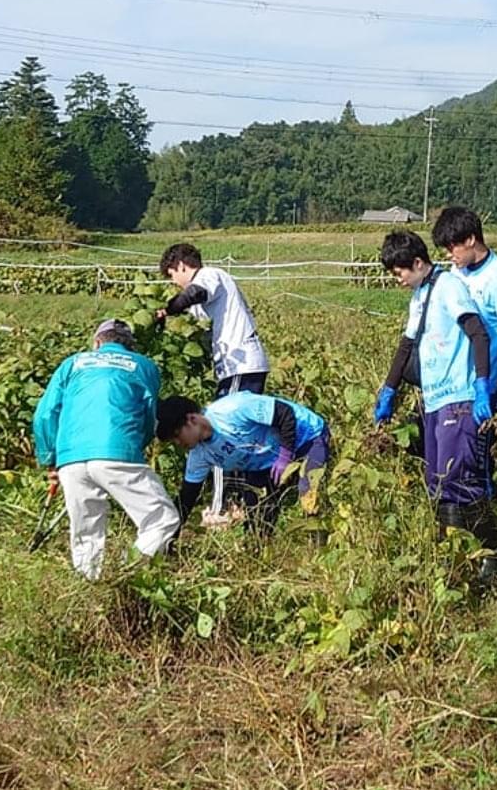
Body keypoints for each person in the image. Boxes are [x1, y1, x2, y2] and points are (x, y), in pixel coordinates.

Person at [373, 230, 497, 584]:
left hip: (458, 398)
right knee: (439, 482)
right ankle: (453, 561)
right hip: (433, 400)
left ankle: (491, 558)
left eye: (399, 273)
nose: (397, 280)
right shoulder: (420, 295)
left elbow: (478, 333)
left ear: (417, 263)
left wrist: (481, 386)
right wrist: (388, 390)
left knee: (461, 481)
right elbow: (405, 347)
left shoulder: (448, 287)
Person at [32, 318, 180, 580]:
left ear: (97, 342)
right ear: (130, 345)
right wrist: (134, 448)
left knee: (86, 537)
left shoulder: (73, 363)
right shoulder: (144, 366)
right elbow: (148, 417)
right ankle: (126, 576)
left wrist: (51, 460)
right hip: (117, 450)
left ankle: (89, 590)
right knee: (162, 520)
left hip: (71, 460)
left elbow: (45, 415)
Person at [157, 243, 270, 516]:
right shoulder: (211, 289)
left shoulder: (210, 275)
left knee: (216, 432)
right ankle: (245, 500)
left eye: (173, 275)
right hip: (242, 364)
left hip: (238, 365)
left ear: (182, 266)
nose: (175, 283)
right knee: (241, 433)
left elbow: (193, 294)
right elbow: (194, 315)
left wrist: (166, 309)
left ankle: (221, 507)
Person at [156, 391, 329, 536]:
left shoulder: (234, 409)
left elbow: (285, 414)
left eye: (178, 435)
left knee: (309, 492)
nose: (179, 443)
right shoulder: (199, 456)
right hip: (264, 465)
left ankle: (321, 543)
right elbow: (187, 498)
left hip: (307, 438)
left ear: (191, 419)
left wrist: (285, 456)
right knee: (257, 526)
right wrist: (168, 537)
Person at [432, 207, 497, 414]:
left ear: (471, 240)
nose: (449, 255)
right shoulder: (457, 271)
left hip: (486, 383)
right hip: (457, 381)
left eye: (452, 248)